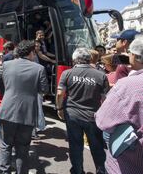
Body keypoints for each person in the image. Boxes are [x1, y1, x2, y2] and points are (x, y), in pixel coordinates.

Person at [0, 40, 48, 174]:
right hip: (27, 113)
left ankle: (4, 172)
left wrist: (6, 93)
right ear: (30, 53)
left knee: (5, 146)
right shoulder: (39, 68)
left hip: (7, 110)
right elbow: (44, 89)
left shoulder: (6, 65)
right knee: (22, 149)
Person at [56, 48, 109, 174]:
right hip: (92, 116)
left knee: (75, 145)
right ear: (89, 59)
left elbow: (59, 93)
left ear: (74, 60)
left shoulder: (67, 73)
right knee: (97, 146)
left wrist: (59, 108)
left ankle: (77, 170)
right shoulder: (100, 75)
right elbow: (105, 99)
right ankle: (101, 171)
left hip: (72, 115)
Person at [95, 36, 143, 173]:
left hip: (129, 162)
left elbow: (102, 120)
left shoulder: (128, 85)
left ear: (135, 56)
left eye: (130, 53)